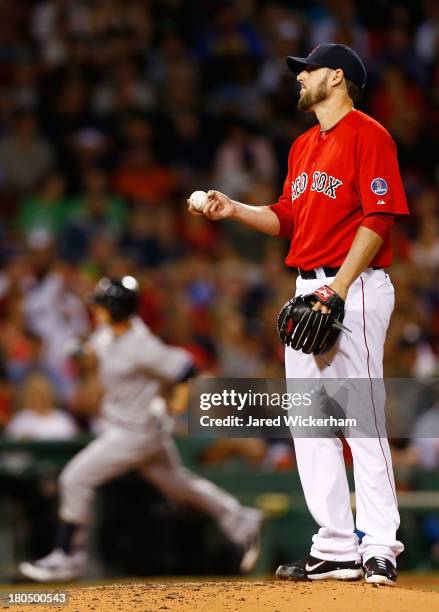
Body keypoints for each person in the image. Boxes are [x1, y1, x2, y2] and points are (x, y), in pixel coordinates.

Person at [188, 44, 409, 586]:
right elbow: (288, 217)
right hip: (307, 285)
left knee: (360, 417)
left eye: (308, 70)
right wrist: (235, 208)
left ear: (337, 77)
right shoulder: (302, 146)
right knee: (310, 423)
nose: (300, 77)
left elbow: (380, 216)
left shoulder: (369, 134)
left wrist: (337, 288)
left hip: (351, 285)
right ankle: (334, 546)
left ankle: (380, 544)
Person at [19, 276, 263, 581]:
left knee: (74, 478)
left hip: (135, 433)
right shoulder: (111, 332)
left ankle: (68, 557)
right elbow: (94, 347)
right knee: (178, 484)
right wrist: (80, 352)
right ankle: (241, 518)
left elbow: (187, 367)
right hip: (140, 431)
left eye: (102, 305)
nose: (97, 309)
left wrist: (177, 402)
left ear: (114, 309)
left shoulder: (141, 345)